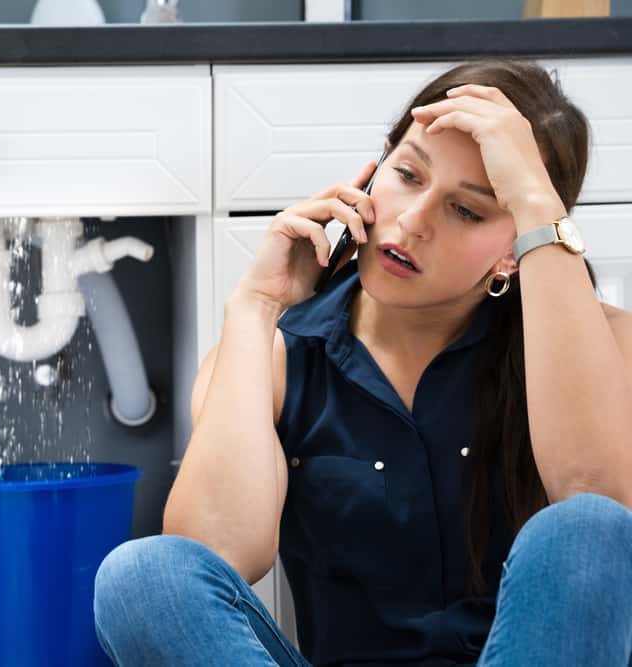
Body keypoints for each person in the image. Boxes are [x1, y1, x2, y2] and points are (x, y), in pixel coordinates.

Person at [93, 58, 632, 666]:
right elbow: (211, 559)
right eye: (406, 174)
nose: (412, 220)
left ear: (512, 248)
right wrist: (255, 305)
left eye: (468, 210)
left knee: (586, 531)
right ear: (374, 168)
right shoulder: (273, 356)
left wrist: (536, 202)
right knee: (142, 575)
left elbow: (599, 507)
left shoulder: (605, 344)